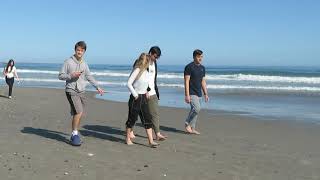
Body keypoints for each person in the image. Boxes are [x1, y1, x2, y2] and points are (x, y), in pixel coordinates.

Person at [58, 41, 104, 146]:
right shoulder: (68, 62)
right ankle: (74, 134)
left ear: (84, 52)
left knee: (79, 113)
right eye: (78, 50)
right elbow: (60, 76)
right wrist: (71, 75)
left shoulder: (84, 63)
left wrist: (97, 87)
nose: (79, 52)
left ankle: (75, 133)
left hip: (81, 91)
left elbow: (89, 76)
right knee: (78, 112)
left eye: (82, 50)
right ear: (75, 50)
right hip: (71, 90)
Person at [129, 46, 167, 141]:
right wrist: (137, 91)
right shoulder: (141, 62)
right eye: (155, 56)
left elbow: (152, 78)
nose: (156, 59)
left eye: (157, 57)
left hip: (152, 91)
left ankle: (157, 134)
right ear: (150, 53)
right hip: (140, 92)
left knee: (154, 113)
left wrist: (154, 90)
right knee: (135, 113)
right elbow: (134, 77)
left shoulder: (155, 63)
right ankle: (130, 130)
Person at [125, 53, 159, 148]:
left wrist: (147, 91)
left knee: (147, 120)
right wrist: (135, 94)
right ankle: (127, 139)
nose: (150, 63)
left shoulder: (147, 72)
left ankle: (151, 141)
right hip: (135, 98)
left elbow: (147, 84)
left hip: (144, 97)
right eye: (148, 61)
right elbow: (128, 83)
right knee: (132, 120)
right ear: (145, 61)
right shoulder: (137, 70)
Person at [184, 49, 209, 135]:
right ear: (194, 57)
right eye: (199, 57)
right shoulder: (189, 67)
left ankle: (192, 128)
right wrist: (187, 95)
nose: (200, 58)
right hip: (191, 92)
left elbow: (203, 81)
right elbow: (186, 81)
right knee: (197, 108)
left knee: (196, 112)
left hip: (199, 93)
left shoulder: (202, 68)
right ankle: (187, 123)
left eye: (201, 57)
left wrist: (205, 93)